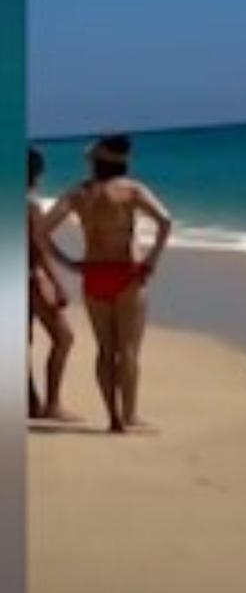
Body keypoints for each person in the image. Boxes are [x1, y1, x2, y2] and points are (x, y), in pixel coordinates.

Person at [38, 134, 172, 433]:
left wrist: (69, 263)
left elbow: (41, 231)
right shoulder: (132, 190)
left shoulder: (78, 194)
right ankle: (130, 415)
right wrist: (151, 261)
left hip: (94, 274)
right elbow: (165, 221)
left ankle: (112, 416)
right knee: (128, 350)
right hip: (126, 273)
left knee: (105, 349)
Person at [26, 147, 75, 420]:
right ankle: (52, 404)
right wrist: (56, 282)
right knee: (64, 338)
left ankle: (32, 402)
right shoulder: (30, 205)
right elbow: (39, 248)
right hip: (28, 278)